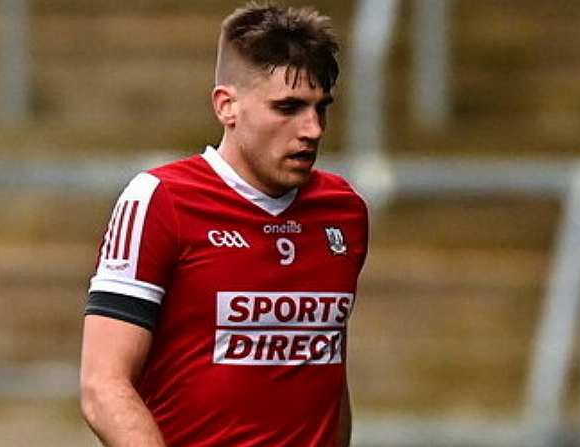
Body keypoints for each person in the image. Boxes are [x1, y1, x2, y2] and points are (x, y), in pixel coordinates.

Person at [79, 3, 369, 446]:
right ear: (227, 105)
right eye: (288, 107)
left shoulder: (343, 211)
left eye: (320, 108)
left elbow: (327, 378)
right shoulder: (160, 200)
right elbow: (103, 387)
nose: (312, 129)